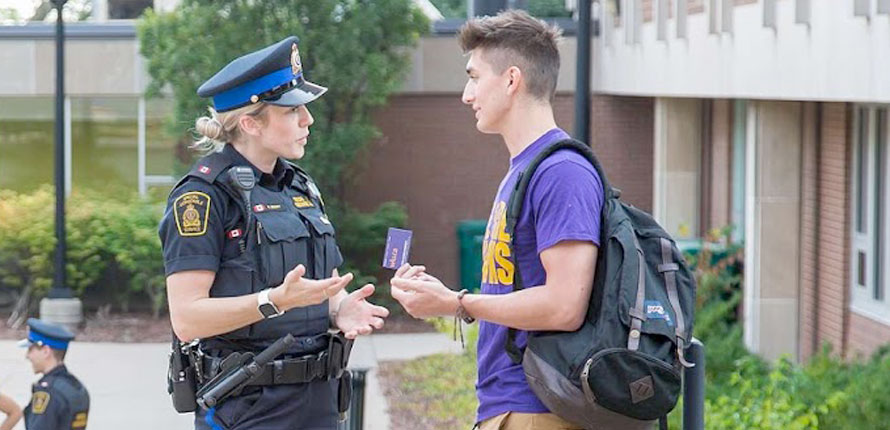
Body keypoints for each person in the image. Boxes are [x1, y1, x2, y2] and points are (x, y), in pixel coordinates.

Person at [159, 36, 390, 430]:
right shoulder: (203, 196)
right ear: (250, 122)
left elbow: (318, 287)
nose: (308, 120)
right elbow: (187, 318)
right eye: (292, 110)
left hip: (319, 402)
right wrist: (273, 301)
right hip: (247, 410)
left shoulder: (300, 187)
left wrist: (339, 307)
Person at [389, 10, 604, 430]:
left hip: (537, 408)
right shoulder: (525, 169)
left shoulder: (561, 172)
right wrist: (451, 298)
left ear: (511, 80)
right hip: (514, 406)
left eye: (474, 76)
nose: (466, 95)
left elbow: (564, 306)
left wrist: (457, 303)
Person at [18, 318, 89, 430]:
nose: (27, 356)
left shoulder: (48, 393)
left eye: (31, 350)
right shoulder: (76, 387)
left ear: (46, 351)